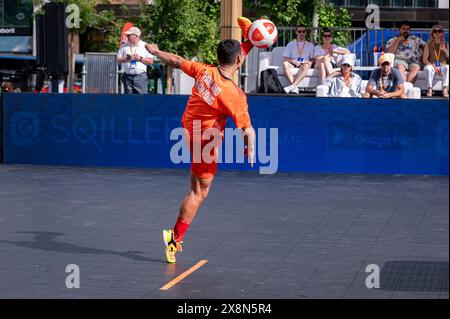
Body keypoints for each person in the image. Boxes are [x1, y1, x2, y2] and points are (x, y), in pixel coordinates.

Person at [145, 18, 256, 263]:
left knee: (197, 187)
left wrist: (155, 51)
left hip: (189, 127)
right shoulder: (234, 96)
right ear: (238, 60)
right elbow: (248, 129)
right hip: (205, 142)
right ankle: (173, 240)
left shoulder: (204, 70)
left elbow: (175, 60)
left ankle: (249, 36)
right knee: (198, 193)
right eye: (241, 55)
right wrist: (251, 149)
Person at [117, 27, 154, 94]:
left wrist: (140, 58)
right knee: (128, 100)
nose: (127, 36)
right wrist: (125, 59)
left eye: (129, 35)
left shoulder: (145, 46)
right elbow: (118, 60)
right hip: (127, 77)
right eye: (127, 35)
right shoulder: (124, 46)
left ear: (136, 36)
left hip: (140, 77)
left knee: (141, 100)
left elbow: (151, 61)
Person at [282, 24, 315, 94]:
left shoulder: (310, 45)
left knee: (306, 65)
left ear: (306, 32)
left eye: (303, 31)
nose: (301, 33)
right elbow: (285, 58)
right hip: (293, 62)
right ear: (296, 32)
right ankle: (295, 87)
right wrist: (293, 61)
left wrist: (310, 62)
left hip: (304, 63)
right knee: (285, 64)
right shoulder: (291, 44)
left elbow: (312, 59)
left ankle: (292, 86)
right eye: (299, 31)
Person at [423, 24, 449, 97]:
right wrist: (434, 66)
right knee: (428, 69)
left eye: (439, 31)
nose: (437, 33)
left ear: (442, 33)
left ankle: (445, 89)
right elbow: (424, 60)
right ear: (432, 33)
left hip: (442, 64)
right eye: (435, 31)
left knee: (447, 67)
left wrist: (444, 49)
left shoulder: (446, 44)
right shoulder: (428, 44)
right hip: (432, 65)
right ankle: (429, 88)